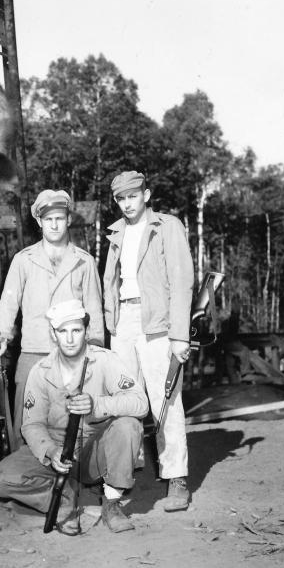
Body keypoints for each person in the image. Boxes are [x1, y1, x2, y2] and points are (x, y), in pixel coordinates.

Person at [0, 300, 149, 534]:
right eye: (63, 331)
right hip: (57, 450)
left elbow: (140, 402)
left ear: (87, 332)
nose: (70, 339)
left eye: (76, 330)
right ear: (54, 334)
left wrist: (97, 404)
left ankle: (112, 503)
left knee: (128, 425)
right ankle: (65, 498)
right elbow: (32, 425)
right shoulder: (41, 371)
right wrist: (51, 452)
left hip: (94, 451)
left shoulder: (105, 360)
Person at [103, 171, 194, 512]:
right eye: (121, 198)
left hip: (157, 322)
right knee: (125, 398)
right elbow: (111, 284)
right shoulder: (116, 232)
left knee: (165, 399)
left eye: (132, 196)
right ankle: (124, 477)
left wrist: (179, 335)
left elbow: (182, 280)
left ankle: (177, 478)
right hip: (123, 322)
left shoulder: (167, 226)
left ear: (146, 194)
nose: (127, 203)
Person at [0, 189, 104, 449]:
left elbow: (94, 310)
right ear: (39, 222)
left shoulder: (84, 262)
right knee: (26, 425)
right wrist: (0, 338)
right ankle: (22, 479)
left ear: (68, 219)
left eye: (59, 218)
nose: (54, 224)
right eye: (48, 219)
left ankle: (69, 480)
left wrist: (94, 351)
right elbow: (8, 303)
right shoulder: (23, 260)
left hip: (72, 355)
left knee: (71, 426)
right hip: (33, 353)